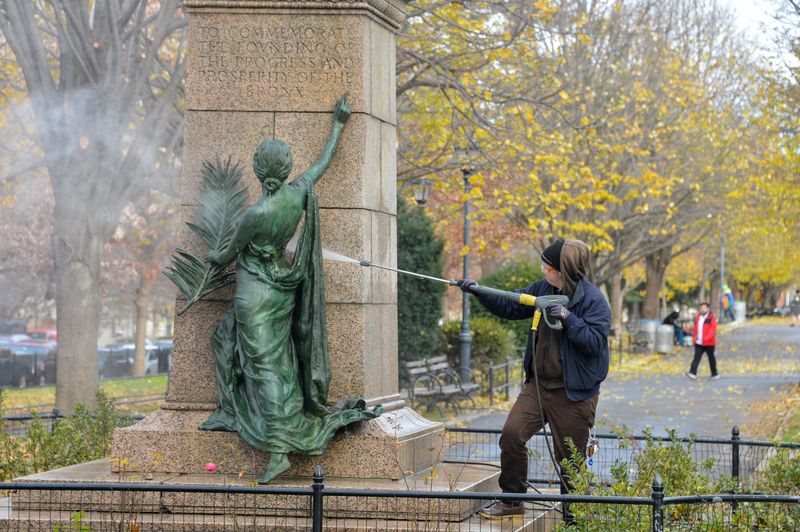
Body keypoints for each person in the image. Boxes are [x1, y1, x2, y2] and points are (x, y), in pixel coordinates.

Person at [201, 95, 380, 484]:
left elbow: (226, 254)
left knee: (266, 368)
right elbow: (323, 162)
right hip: (281, 291)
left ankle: (278, 448)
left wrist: (212, 255)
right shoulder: (298, 192)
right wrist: (338, 124)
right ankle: (230, 410)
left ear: (255, 169)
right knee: (246, 349)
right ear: (285, 170)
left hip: (254, 296)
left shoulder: (255, 215)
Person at [459, 238, 611, 520]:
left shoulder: (593, 300)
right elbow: (512, 304)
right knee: (511, 435)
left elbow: (595, 343)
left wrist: (568, 317)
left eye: (548, 266)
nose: (543, 269)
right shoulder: (543, 289)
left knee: (570, 461)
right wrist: (479, 291)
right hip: (538, 388)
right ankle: (512, 500)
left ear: (563, 270)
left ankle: (575, 517)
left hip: (574, 394)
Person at [685, 302, 718, 380]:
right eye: (701, 308)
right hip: (699, 342)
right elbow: (696, 329)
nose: (702, 310)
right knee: (696, 357)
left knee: (711, 358)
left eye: (704, 308)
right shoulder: (698, 318)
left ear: (708, 309)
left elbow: (712, 331)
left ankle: (714, 373)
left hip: (709, 343)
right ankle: (692, 373)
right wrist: (694, 339)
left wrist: (706, 338)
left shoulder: (711, 319)